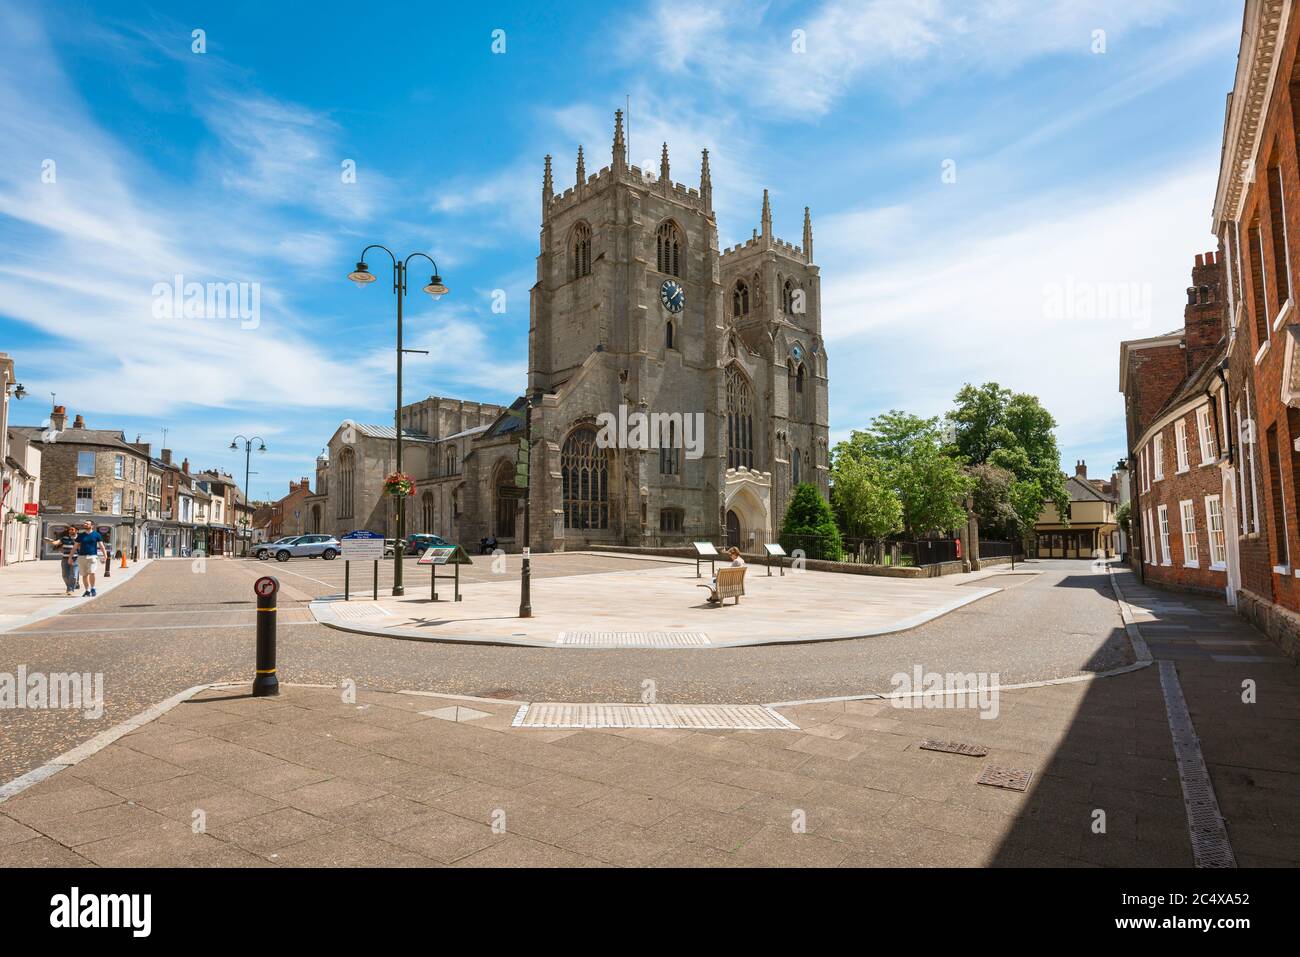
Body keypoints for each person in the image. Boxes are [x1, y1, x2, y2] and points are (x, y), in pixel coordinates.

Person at [75, 521, 109, 597]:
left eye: (87, 523)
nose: (85, 524)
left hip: (92, 556)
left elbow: (101, 546)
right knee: (84, 575)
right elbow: (75, 546)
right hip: (81, 557)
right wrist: (70, 557)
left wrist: (105, 556)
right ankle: (87, 590)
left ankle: (93, 588)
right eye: (84, 523)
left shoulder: (96, 535)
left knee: (92, 572)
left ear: (92, 526)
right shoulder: (81, 535)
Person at [45, 525, 79, 596]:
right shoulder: (64, 538)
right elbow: (56, 543)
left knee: (74, 575)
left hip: (75, 559)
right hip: (65, 559)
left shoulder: (79, 539)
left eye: (72, 529)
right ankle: (69, 586)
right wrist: (49, 541)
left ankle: (70, 589)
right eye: (70, 530)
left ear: (76, 531)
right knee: (65, 575)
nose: (70, 531)